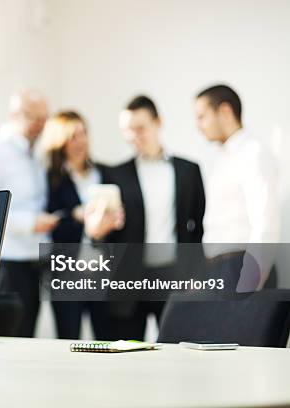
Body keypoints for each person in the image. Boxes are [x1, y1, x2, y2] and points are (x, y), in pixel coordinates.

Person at [99, 95, 206, 340]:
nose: (133, 136)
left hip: (175, 277)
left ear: (158, 123)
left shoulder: (189, 171)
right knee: (127, 355)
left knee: (179, 352)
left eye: (140, 128)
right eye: (127, 130)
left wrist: (196, 274)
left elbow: (199, 228)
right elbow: (107, 236)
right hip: (129, 280)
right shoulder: (115, 174)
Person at [0, 90, 59, 337]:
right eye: (33, 117)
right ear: (14, 114)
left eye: (44, 119)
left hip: (34, 263)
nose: (39, 125)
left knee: (27, 339)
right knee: (9, 341)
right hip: (7, 264)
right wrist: (29, 224)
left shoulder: (35, 155)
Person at [39, 111, 124, 339]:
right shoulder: (51, 180)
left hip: (104, 273)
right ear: (60, 141)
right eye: (73, 136)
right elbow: (50, 224)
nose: (81, 141)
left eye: (84, 133)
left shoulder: (107, 174)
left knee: (108, 340)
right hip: (67, 274)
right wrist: (75, 216)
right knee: (68, 340)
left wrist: (114, 220)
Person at [194, 84, 280, 291]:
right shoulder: (222, 159)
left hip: (240, 268)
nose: (198, 125)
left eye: (202, 116)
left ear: (225, 112)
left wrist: (250, 282)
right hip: (220, 269)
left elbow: (265, 223)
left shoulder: (252, 153)